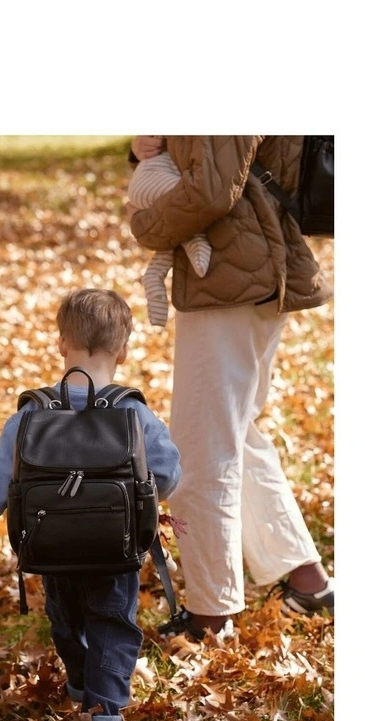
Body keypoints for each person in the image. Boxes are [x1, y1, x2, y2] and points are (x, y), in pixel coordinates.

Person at [0, 288, 181, 721]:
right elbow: (167, 475)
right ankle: (105, 712)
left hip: (52, 546)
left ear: (61, 344)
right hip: (115, 546)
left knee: (65, 619)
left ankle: (79, 680)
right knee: (112, 622)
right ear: (123, 350)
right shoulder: (133, 410)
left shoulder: (34, 411)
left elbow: (1, 474)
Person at [126, 135, 334, 637]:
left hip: (233, 271)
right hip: (247, 265)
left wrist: (144, 223)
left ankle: (211, 614)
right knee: (236, 433)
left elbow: (213, 189)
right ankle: (307, 580)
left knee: (201, 447)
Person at [128, 144, 211, 326]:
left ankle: (154, 276)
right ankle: (193, 238)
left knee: (173, 232)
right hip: (155, 180)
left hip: (149, 180)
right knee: (189, 199)